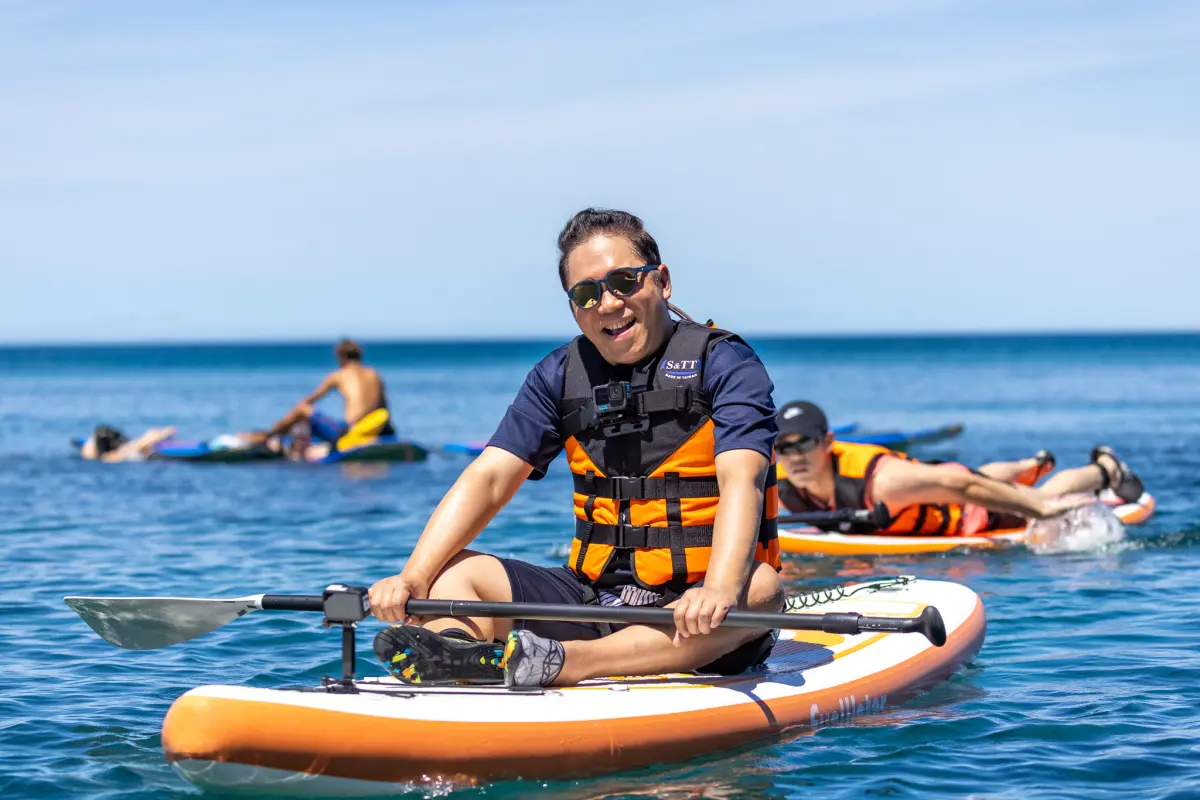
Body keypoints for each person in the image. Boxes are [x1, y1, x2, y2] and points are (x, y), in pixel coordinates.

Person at [369, 208, 784, 688]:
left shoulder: (725, 362)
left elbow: (743, 480)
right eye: (586, 293)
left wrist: (717, 587)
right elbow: (489, 479)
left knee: (761, 588)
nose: (608, 304)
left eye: (624, 282)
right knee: (455, 575)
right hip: (591, 600)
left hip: (695, 616)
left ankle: (569, 662)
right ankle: (455, 657)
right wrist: (413, 578)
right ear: (572, 307)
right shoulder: (560, 374)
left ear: (662, 282)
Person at [774, 400, 1145, 535]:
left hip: (966, 506)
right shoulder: (780, 482)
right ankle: (1028, 464)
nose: (795, 457)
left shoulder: (882, 483)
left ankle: (1107, 469)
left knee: (1043, 496)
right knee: (979, 473)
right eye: (783, 448)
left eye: (803, 444)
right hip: (941, 482)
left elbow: (959, 485)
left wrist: (1039, 510)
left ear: (827, 442)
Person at [243, 339, 393, 446]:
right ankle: (287, 437)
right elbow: (384, 409)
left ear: (340, 357)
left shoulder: (339, 375)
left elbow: (310, 400)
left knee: (303, 409)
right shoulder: (374, 375)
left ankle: (268, 435)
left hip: (347, 432)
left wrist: (292, 419)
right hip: (373, 430)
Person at [78, 425, 177, 463]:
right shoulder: (113, 455)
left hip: (137, 449)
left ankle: (160, 434)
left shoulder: (112, 456)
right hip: (137, 448)